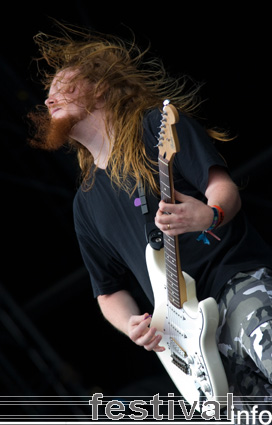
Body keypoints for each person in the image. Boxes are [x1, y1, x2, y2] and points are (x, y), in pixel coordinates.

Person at [28, 23, 272, 416]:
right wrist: (131, 326)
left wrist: (209, 214)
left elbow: (222, 187)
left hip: (236, 283)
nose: (50, 97)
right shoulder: (85, 204)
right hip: (188, 346)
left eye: (65, 86)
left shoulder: (155, 129)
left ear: (101, 89)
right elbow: (107, 292)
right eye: (48, 92)